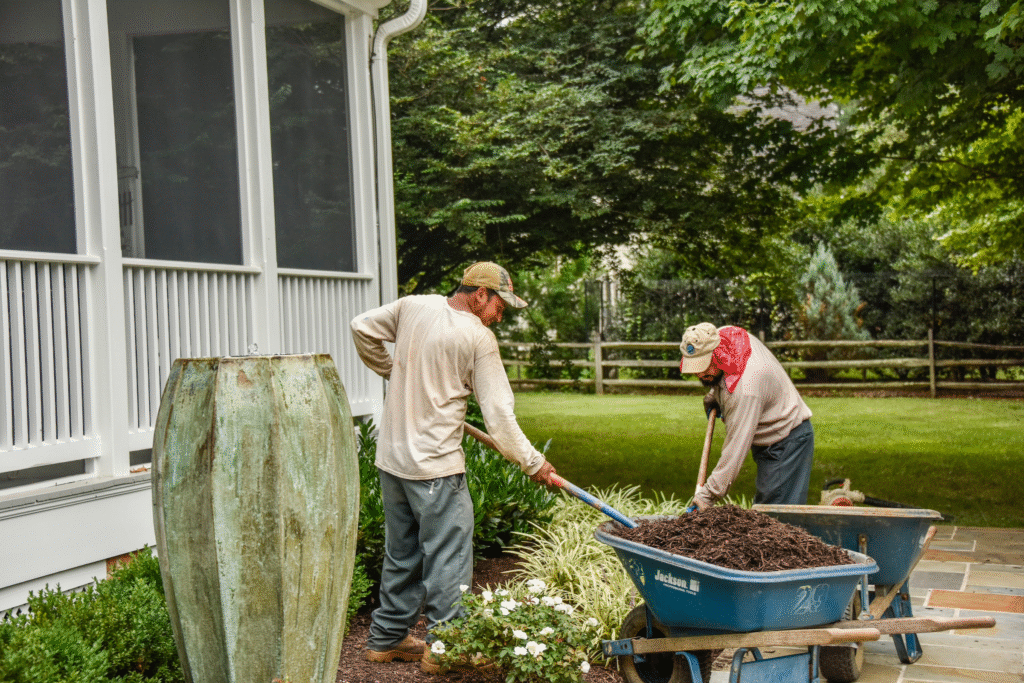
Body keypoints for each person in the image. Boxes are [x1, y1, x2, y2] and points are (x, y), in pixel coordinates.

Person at [350, 261, 557, 671]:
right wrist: (533, 462)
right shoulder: (477, 337)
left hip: (392, 462)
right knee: (448, 558)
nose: (501, 315)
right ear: (480, 295)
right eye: (500, 305)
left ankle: (386, 638)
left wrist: (393, 371)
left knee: (402, 552)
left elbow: (361, 326)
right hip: (436, 469)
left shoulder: (413, 307)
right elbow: (498, 414)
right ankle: (448, 649)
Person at [679, 322, 814, 510]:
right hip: (773, 434)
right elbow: (723, 377)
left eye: (704, 366)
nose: (700, 373)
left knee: (775, 521)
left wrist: (707, 495)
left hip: (787, 442)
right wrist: (714, 396)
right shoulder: (726, 337)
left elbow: (735, 450)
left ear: (718, 354)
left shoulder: (745, 390)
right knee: (767, 517)